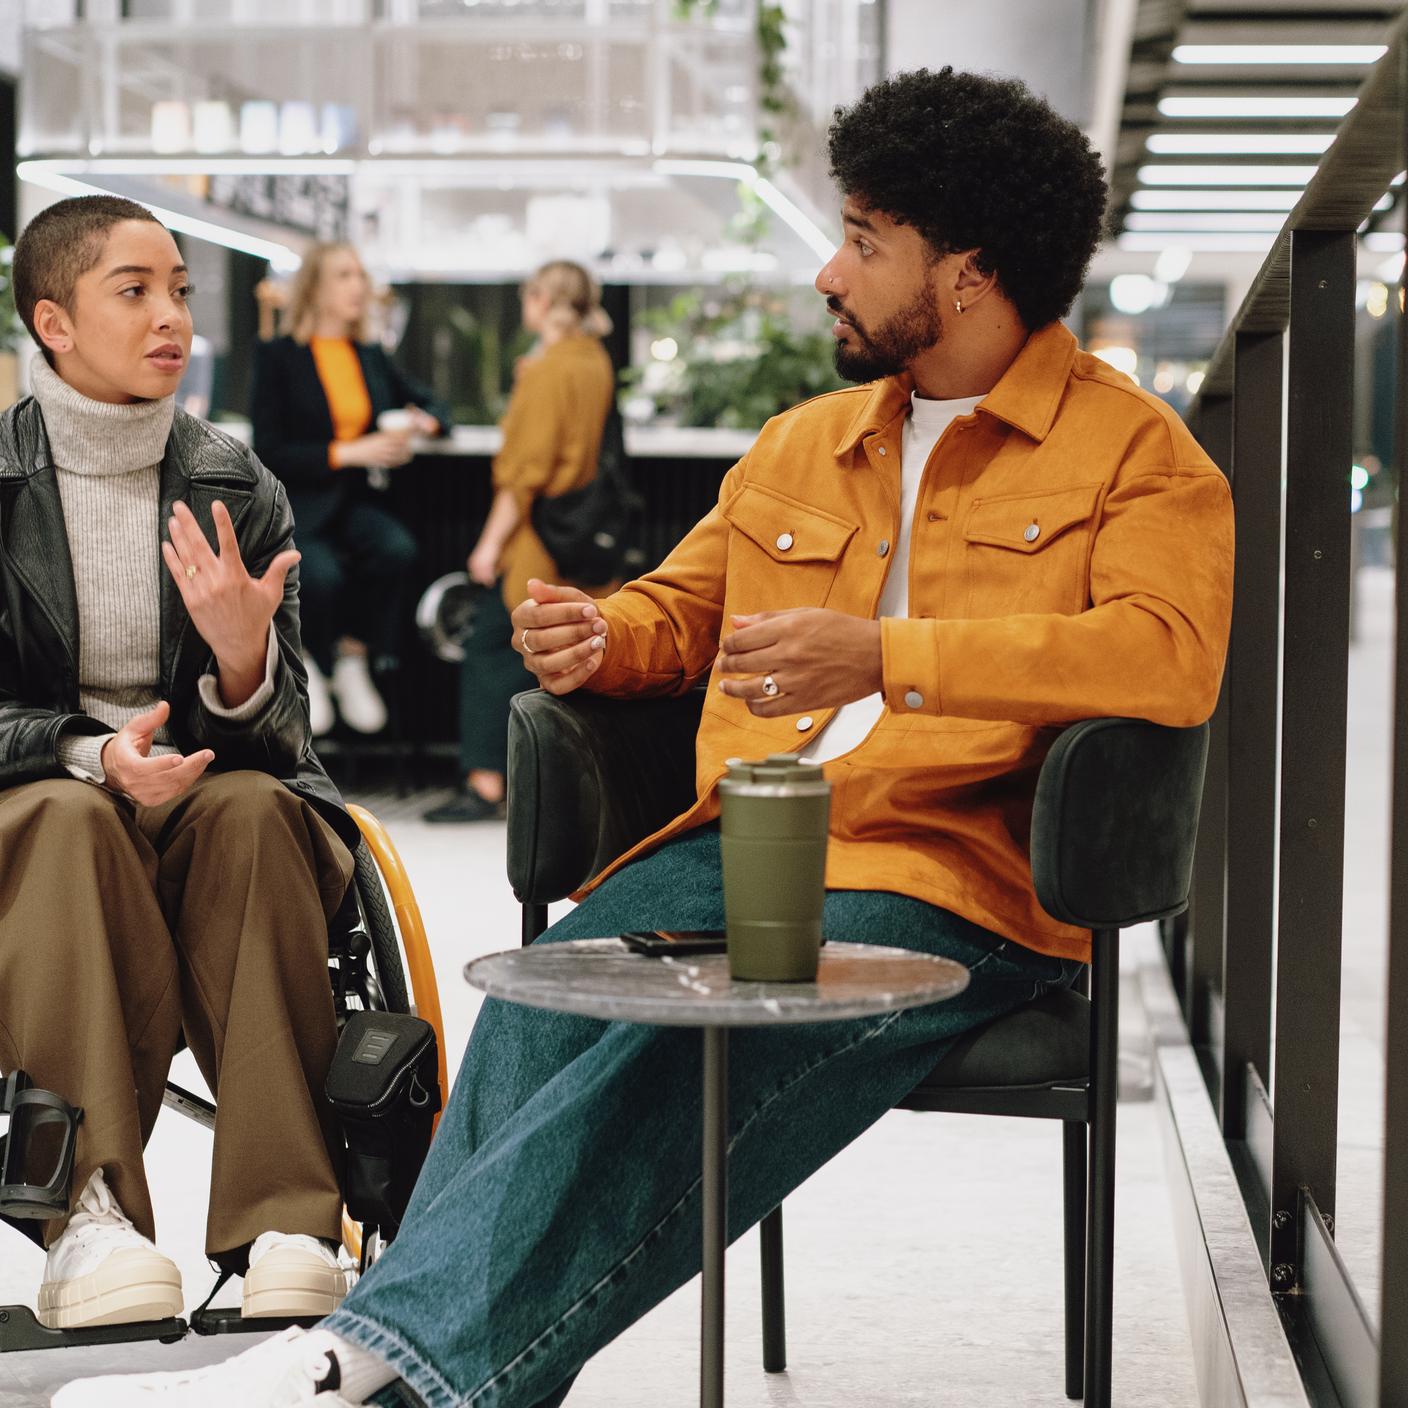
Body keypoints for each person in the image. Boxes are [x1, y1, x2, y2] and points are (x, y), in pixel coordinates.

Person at [59, 68, 1234, 1407]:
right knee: (547, 1003)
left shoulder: (1140, 458)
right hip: (750, 833)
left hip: (958, 874)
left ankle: (352, 1367)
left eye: (862, 241)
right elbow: (689, 605)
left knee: (675, 1044)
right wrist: (608, 638)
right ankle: (391, 1363)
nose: (828, 276)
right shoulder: (807, 443)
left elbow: (1166, 659)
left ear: (964, 274)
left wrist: (888, 657)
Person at [0, 196, 363, 1331]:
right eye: (135, 290)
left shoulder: (236, 486)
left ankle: (287, 1220)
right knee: (69, 819)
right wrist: (89, 753)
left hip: (207, 809)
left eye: (180, 292)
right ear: (54, 322)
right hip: (41, 819)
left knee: (257, 811)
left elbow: (289, 741)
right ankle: (89, 1213)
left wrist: (245, 662)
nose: (174, 319)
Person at [423, 259, 616, 824]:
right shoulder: (593, 360)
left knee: (490, 648)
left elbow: (524, 474)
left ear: (542, 300)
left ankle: (485, 783)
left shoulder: (550, 369)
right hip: (578, 534)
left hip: (536, 538)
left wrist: (487, 547)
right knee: (568, 655)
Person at [251, 243, 451, 737]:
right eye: (344, 276)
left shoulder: (370, 355)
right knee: (320, 578)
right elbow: (270, 449)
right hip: (300, 505)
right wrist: (350, 452)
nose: (358, 286)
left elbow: (430, 402)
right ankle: (312, 665)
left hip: (356, 503)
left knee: (397, 550)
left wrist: (424, 422)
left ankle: (353, 656)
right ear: (315, 288)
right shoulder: (280, 357)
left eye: (360, 275)